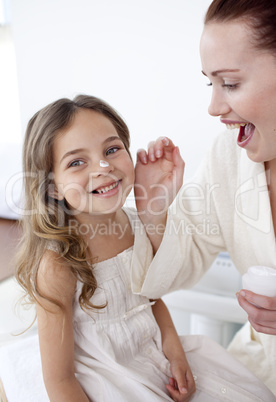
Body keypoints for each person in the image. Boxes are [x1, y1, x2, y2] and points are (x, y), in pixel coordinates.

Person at [15, 94, 275, 402]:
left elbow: (149, 299)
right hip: (106, 376)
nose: (102, 167)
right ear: (53, 185)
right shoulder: (59, 263)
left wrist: (175, 351)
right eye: (77, 162)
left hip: (150, 358)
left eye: (112, 150)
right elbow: (58, 378)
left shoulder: (137, 224)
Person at [134, 0, 276, 397]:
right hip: (260, 372)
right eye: (209, 83)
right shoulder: (229, 155)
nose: (214, 107)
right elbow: (185, 251)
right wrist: (156, 213)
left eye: (229, 84)